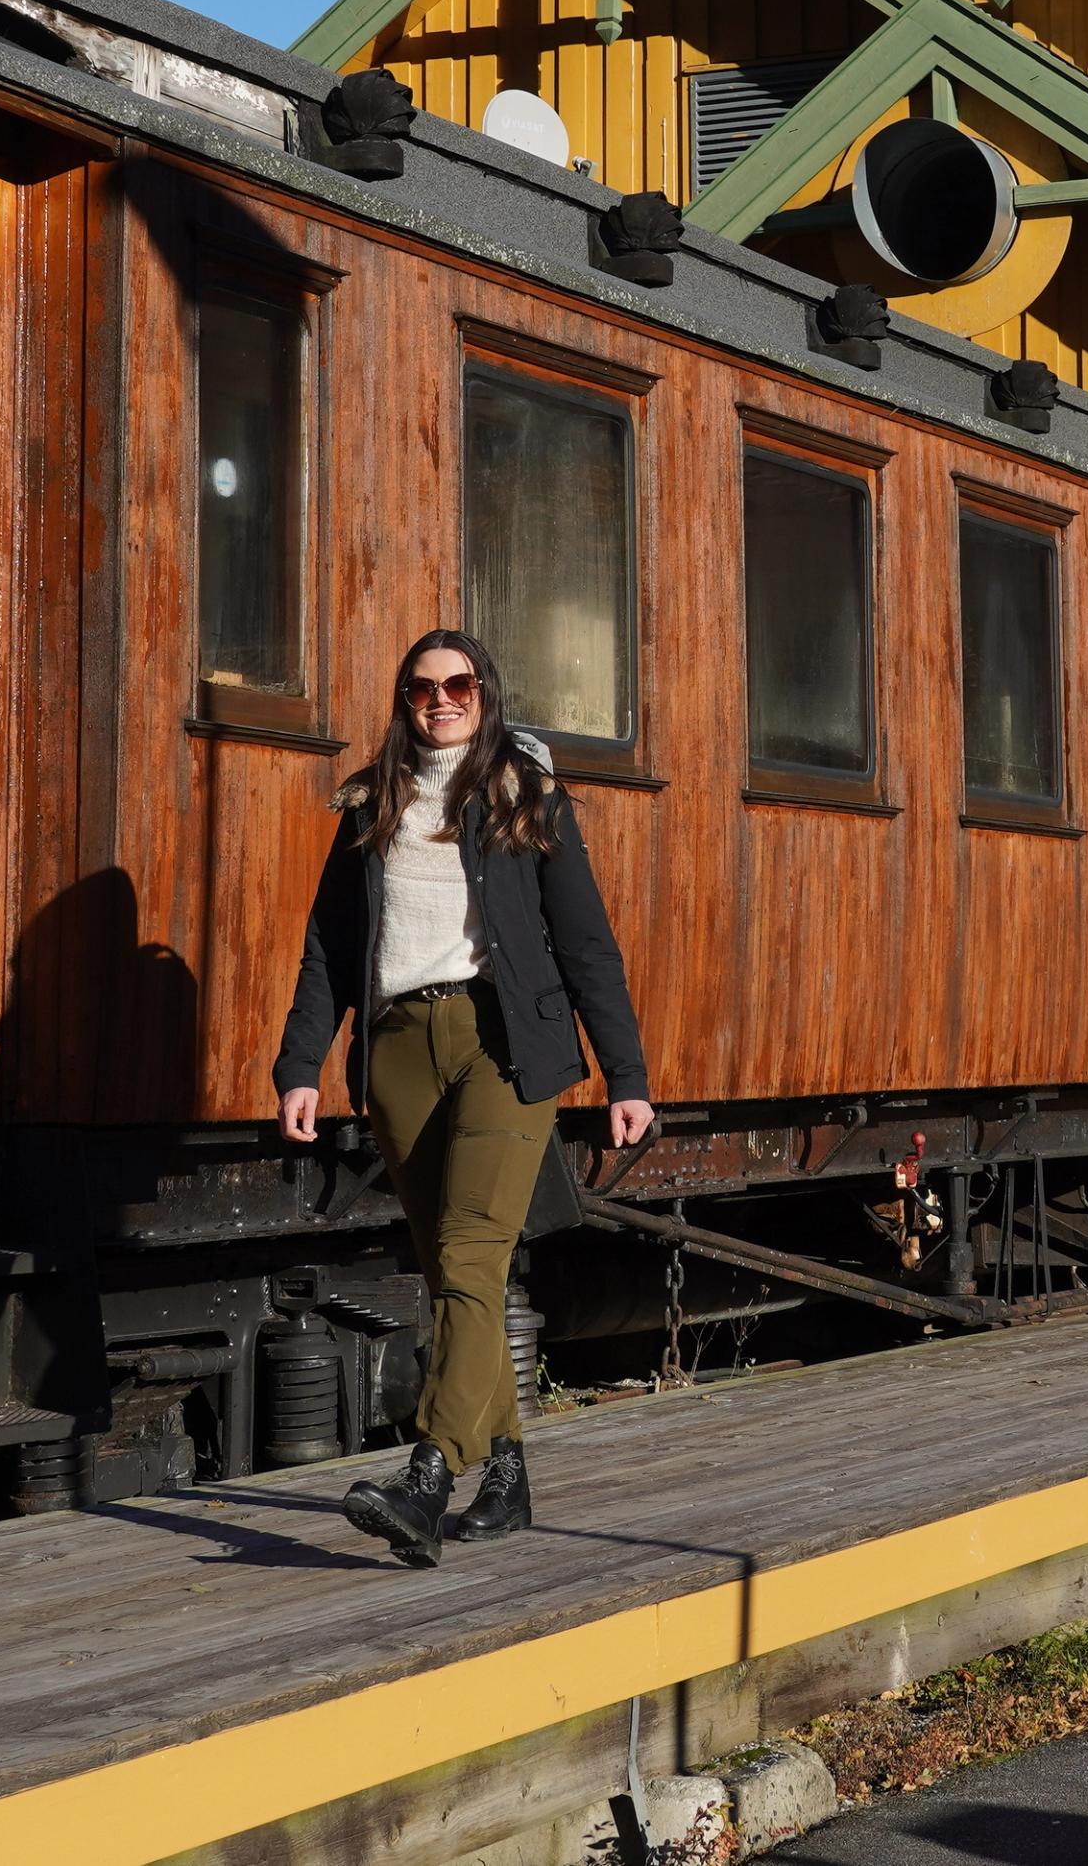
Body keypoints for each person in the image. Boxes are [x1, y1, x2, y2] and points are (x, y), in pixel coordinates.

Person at [276, 628, 654, 1567]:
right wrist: (299, 1065)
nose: (440, 701)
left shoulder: (526, 795)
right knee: (452, 1276)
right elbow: (329, 945)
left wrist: (627, 1076)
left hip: (503, 1043)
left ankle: (429, 1473)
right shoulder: (373, 803)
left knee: (473, 1253)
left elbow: (587, 943)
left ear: (486, 691)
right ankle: (510, 1472)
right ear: (404, 699)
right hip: (399, 1050)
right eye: (421, 688)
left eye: (458, 685)